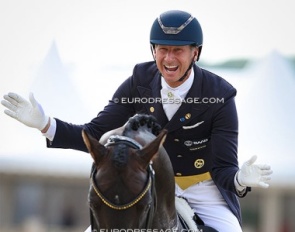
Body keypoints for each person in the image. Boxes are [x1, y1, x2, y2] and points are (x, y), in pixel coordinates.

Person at [1, 10, 272, 232]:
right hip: (148, 183)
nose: (168, 58)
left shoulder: (219, 96)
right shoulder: (138, 82)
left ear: (195, 53)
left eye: (178, 51)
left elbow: (224, 168)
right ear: (153, 50)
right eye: (162, 49)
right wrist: (44, 124)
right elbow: (95, 133)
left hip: (203, 189)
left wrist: (239, 180)